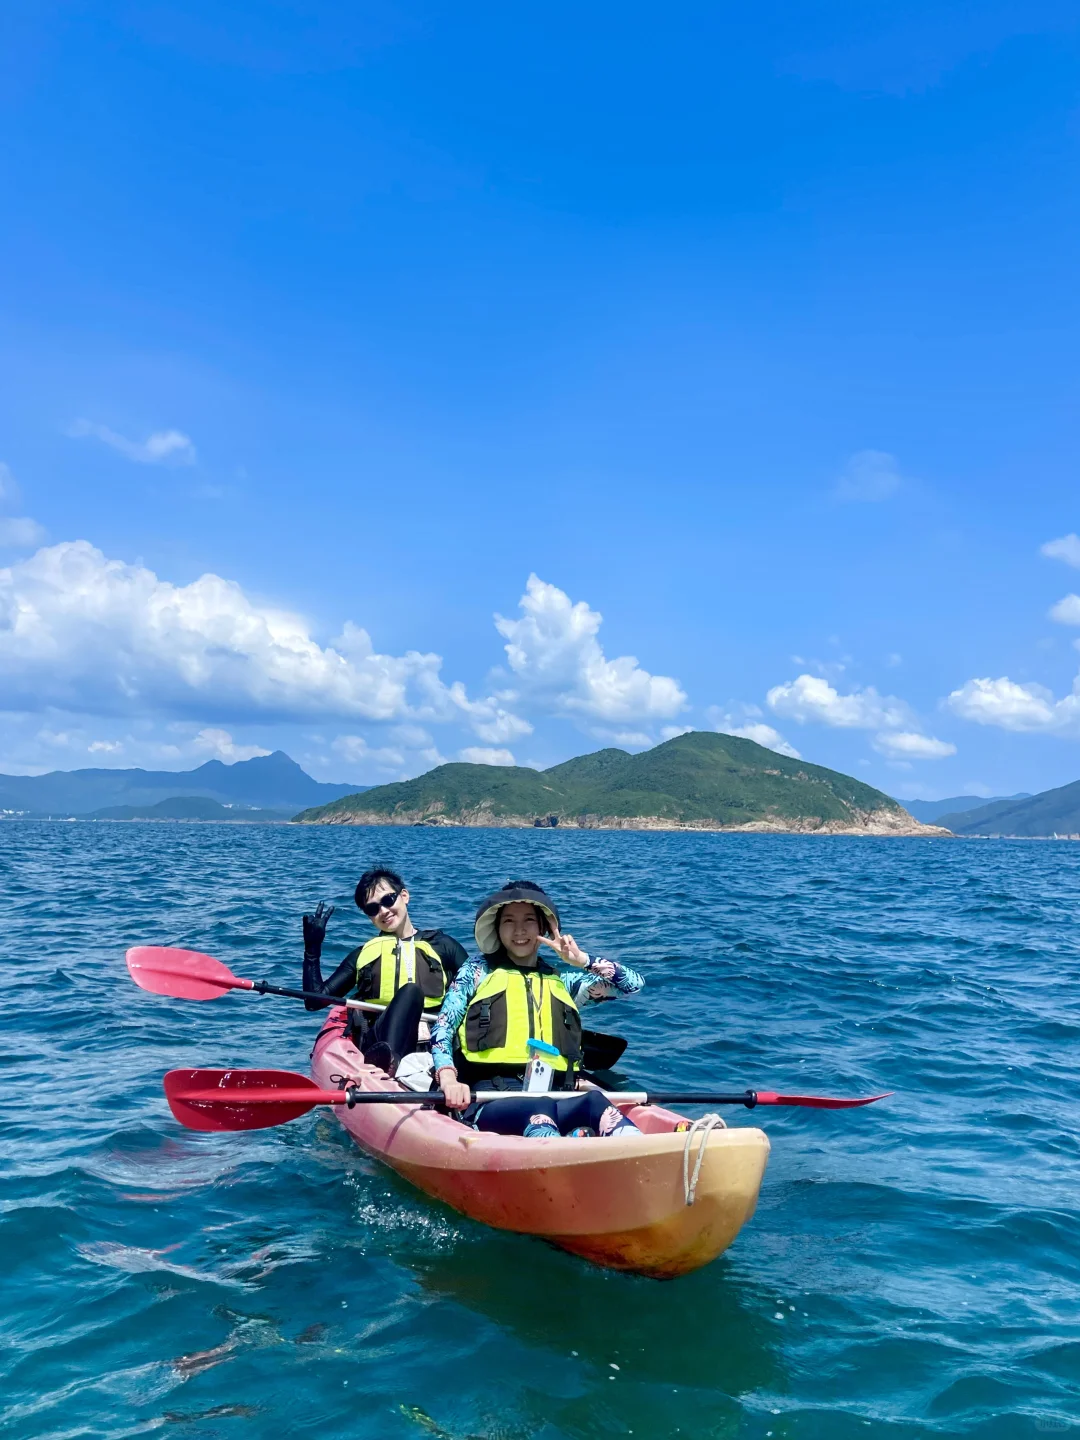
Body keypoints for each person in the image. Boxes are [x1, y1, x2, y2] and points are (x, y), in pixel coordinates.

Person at [431, 880, 645, 1139]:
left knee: (595, 1103)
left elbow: (632, 985)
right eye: (509, 921)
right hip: (489, 1099)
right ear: (497, 929)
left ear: (543, 927)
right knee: (539, 1108)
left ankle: (642, 1161)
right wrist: (448, 1077)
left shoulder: (563, 983)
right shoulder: (477, 972)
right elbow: (443, 1025)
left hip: (554, 1095)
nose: (519, 930)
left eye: (529, 920)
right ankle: (560, 1161)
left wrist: (582, 961)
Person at [302, 867, 468, 1076]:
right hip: (379, 1044)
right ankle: (389, 1066)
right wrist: (312, 950)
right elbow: (314, 1001)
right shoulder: (364, 954)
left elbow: (478, 990)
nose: (383, 911)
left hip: (435, 1046)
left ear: (404, 896)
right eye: (372, 909)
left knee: (413, 993)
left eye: (388, 900)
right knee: (410, 992)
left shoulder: (443, 946)